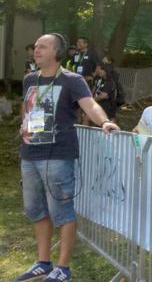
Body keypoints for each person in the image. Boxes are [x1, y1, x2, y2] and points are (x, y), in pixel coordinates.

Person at [16, 33, 119, 282]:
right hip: (29, 153)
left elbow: (90, 105)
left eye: (43, 46)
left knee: (61, 211)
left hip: (58, 155)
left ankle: (63, 268)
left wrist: (104, 121)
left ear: (56, 52)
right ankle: (43, 263)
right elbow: (27, 106)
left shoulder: (72, 80)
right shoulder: (30, 79)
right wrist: (25, 122)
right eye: (36, 46)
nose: (36, 50)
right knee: (36, 211)